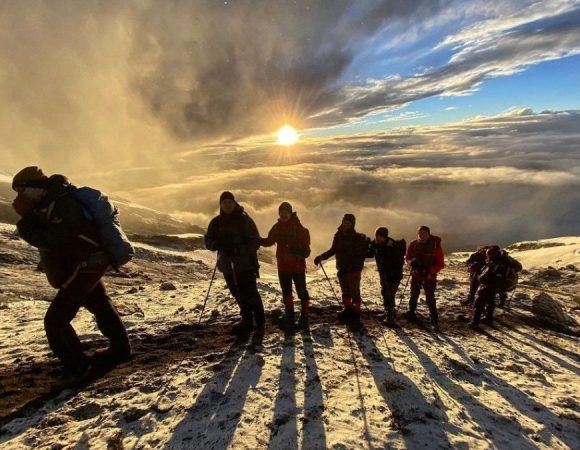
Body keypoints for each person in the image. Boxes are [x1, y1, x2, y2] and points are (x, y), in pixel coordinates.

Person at [12, 167, 131, 379]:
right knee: (99, 303)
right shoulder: (53, 203)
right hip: (87, 264)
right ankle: (120, 350)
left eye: (22, 191)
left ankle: (77, 368)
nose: (20, 197)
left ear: (35, 187)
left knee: (55, 321)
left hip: (85, 266)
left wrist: (26, 219)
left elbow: (56, 240)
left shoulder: (63, 205)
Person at [205, 191, 265, 340]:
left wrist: (239, 250)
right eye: (224, 202)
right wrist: (217, 244)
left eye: (230, 202)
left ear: (234, 203)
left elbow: (255, 241)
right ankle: (247, 321)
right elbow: (208, 241)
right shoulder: (216, 222)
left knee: (251, 294)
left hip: (245, 265)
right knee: (237, 294)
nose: (227, 205)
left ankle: (260, 324)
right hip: (227, 266)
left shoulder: (244, 220)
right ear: (221, 205)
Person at [314, 214, 371, 327]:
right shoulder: (338, 235)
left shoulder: (357, 238)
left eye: (348, 223)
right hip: (342, 269)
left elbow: (360, 255)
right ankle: (348, 310)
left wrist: (353, 265)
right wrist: (321, 257)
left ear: (352, 224)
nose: (345, 224)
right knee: (346, 292)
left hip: (353, 270)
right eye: (344, 222)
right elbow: (333, 250)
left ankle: (356, 313)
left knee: (354, 293)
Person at [261, 202, 311, 327]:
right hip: (283, 266)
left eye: (286, 212)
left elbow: (306, 249)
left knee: (301, 291)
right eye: (281, 212)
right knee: (286, 291)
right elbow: (268, 241)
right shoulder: (277, 227)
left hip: (297, 266)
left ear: (290, 213)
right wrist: (256, 240)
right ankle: (290, 315)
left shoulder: (298, 227)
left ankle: (304, 315)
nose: (283, 214)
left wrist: (295, 249)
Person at [469, 246, 522, 328]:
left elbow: (494, 276)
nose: (488, 257)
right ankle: (488, 318)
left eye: (489, 255)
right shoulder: (500, 260)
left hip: (496, 283)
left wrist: (483, 279)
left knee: (480, 299)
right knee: (490, 298)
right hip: (499, 284)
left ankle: (475, 322)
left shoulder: (501, 263)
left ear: (494, 254)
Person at [404, 225, 444, 331]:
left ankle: (434, 321)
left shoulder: (435, 245)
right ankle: (411, 313)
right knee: (413, 295)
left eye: (424, 234)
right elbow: (407, 257)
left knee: (430, 298)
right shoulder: (413, 244)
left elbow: (440, 263)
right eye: (420, 234)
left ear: (428, 234)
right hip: (416, 275)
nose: (422, 236)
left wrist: (430, 271)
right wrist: (411, 262)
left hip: (429, 277)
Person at [370, 227, 405, 327]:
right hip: (384, 274)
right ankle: (387, 312)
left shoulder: (393, 246)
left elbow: (399, 262)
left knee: (390, 294)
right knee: (385, 292)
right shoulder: (376, 244)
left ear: (384, 237)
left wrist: (392, 273)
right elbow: (370, 253)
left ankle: (390, 317)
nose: (376, 238)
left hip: (394, 275)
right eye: (376, 236)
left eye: (379, 236)